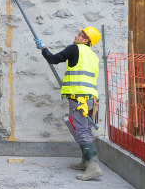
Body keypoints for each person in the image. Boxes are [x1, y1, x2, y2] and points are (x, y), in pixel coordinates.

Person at [34, 27, 103, 181]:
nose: (76, 36)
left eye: (80, 34)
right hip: (92, 99)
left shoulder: (74, 48)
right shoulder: (93, 55)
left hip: (79, 98)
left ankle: (93, 167)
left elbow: (53, 59)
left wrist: (43, 48)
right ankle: (86, 162)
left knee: (80, 131)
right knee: (86, 129)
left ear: (86, 40)